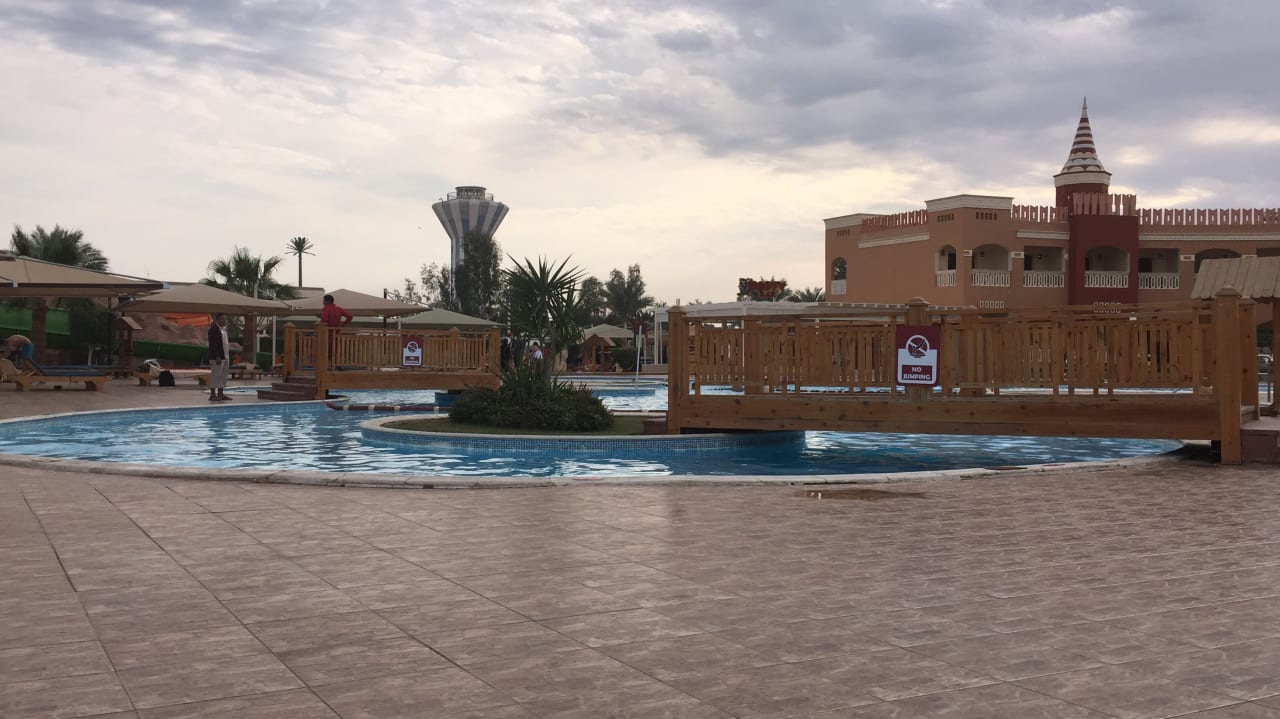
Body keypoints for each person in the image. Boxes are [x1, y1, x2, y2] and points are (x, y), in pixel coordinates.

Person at [319, 294, 353, 364]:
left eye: (323, 300)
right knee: (334, 351)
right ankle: (334, 366)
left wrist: (320, 317)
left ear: (327, 301)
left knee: (324, 351)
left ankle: (326, 366)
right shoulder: (339, 309)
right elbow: (350, 316)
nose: (323, 302)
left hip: (327, 333)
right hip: (337, 333)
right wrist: (342, 325)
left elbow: (324, 319)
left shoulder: (325, 308)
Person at [207, 314, 231, 401]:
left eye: (225, 319)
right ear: (217, 319)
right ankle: (212, 394)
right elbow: (213, 344)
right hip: (217, 357)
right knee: (215, 375)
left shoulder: (224, 330)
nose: (224, 320)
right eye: (222, 319)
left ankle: (221, 393)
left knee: (223, 376)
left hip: (225, 356)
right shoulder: (213, 330)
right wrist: (217, 356)